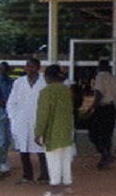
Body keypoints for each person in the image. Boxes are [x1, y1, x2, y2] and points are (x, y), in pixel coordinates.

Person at [7, 58, 49, 184]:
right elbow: (11, 102)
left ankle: (45, 175)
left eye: (33, 66)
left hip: (39, 120)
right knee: (23, 148)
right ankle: (27, 175)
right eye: (28, 66)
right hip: (22, 120)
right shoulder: (19, 82)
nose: (30, 69)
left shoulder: (45, 82)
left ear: (39, 68)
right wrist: (14, 117)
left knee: (41, 149)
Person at [35, 64, 74, 196]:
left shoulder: (46, 92)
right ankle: (67, 186)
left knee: (53, 160)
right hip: (66, 129)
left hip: (53, 131)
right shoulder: (66, 90)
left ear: (47, 77)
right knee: (65, 159)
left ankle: (55, 189)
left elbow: (42, 115)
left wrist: (38, 133)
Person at [87, 58, 116, 170]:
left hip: (102, 108)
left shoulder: (100, 77)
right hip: (111, 108)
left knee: (94, 134)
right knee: (107, 135)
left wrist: (92, 107)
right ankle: (105, 157)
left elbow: (99, 94)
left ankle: (105, 154)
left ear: (99, 67)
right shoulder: (114, 78)